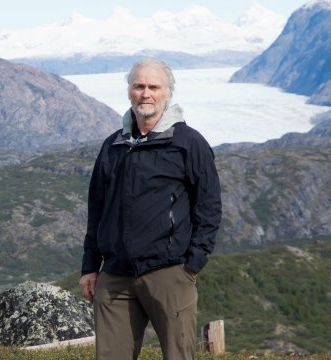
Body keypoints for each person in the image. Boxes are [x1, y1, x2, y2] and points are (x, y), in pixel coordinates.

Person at [79, 58, 222, 360]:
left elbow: (208, 208)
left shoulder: (188, 143)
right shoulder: (113, 145)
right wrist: (90, 266)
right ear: (129, 91)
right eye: (139, 86)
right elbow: (97, 208)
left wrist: (192, 264)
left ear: (167, 92)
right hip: (115, 276)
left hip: (169, 274)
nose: (146, 93)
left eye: (153, 87)